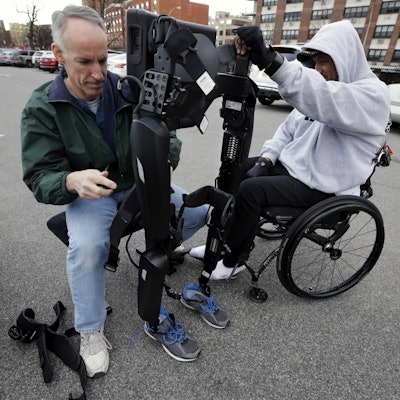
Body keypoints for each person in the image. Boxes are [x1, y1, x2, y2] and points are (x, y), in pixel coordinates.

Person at [20, 5, 218, 378]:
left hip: (140, 183)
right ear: (58, 54)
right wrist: (70, 181)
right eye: (84, 62)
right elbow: (39, 175)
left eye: (102, 60)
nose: (98, 74)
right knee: (89, 249)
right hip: (91, 198)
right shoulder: (42, 108)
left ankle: (152, 250)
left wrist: (167, 157)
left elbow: (166, 127)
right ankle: (91, 329)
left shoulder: (129, 87)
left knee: (195, 212)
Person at [190, 20, 390, 280]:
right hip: (296, 168)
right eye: (315, 63)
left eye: (324, 62)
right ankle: (223, 241)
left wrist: (270, 59)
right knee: (233, 170)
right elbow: (287, 131)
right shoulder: (323, 90)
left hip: (325, 186)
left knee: (251, 191)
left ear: (345, 58)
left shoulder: (371, 95)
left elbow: (323, 96)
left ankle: (233, 260)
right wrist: (266, 159)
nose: (318, 70)